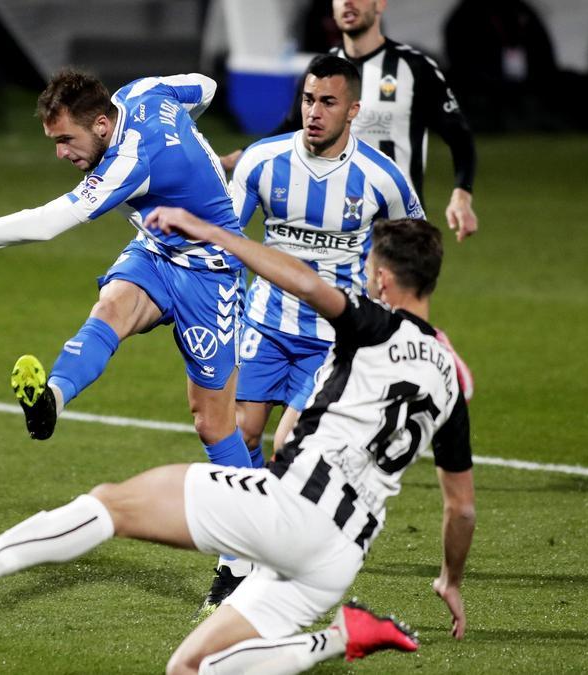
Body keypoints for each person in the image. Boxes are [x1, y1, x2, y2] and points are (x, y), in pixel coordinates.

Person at [0, 213, 475, 675]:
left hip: (289, 508)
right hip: (341, 557)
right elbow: (461, 508)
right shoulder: (451, 378)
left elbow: (305, 283)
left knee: (114, 503)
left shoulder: (373, 322)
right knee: (188, 669)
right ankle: (341, 637)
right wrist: (449, 579)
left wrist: (207, 230)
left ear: (382, 277)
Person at [0, 70, 258, 585]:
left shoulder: (130, 161)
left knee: (212, 424)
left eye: (66, 140)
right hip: (156, 249)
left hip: (211, 273)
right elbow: (207, 85)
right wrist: (192, 149)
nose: (61, 153)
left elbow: (45, 224)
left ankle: (247, 554)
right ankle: (51, 401)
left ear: (102, 125)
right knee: (109, 308)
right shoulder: (145, 93)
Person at [200, 55, 426, 611]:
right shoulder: (262, 161)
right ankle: (237, 563)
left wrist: (407, 329)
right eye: (307, 99)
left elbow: (414, 250)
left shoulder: (381, 177)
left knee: (289, 450)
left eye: (328, 102)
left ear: (354, 109)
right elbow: (227, 240)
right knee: (239, 437)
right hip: (264, 326)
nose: (314, 112)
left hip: (333, 340)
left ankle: (278, 568)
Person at [226, 0, 478, 242]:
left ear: (380, 4)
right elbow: (292, 127)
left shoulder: (414, 67)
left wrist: (462, 194)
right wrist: (247, 154)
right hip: (336, 225)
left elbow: (459, 135)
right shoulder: (320, 70)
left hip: (397, 226)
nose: (347, 2)